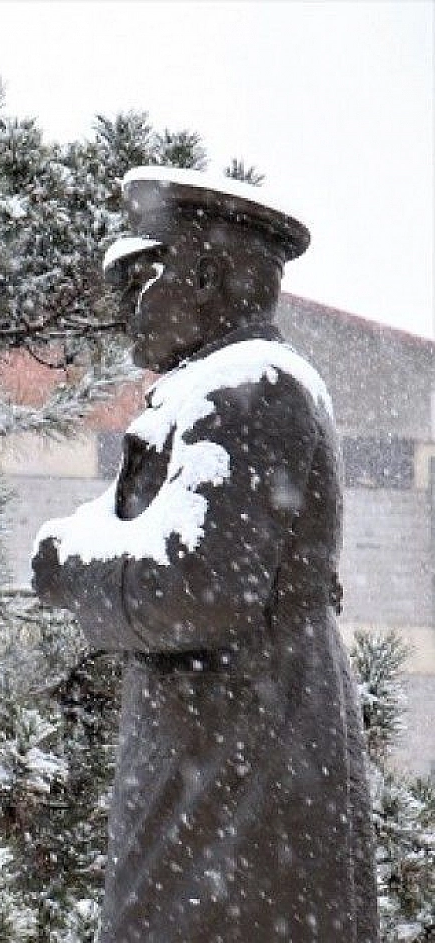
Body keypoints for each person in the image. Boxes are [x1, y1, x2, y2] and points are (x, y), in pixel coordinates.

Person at [30, 166, 377, 942]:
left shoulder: (246, 387)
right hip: (230, 769)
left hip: (238, 784)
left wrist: (68, 564)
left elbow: (195, 585)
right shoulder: (232, 384)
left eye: (143, 278)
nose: (130, 308)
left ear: (209, 274)